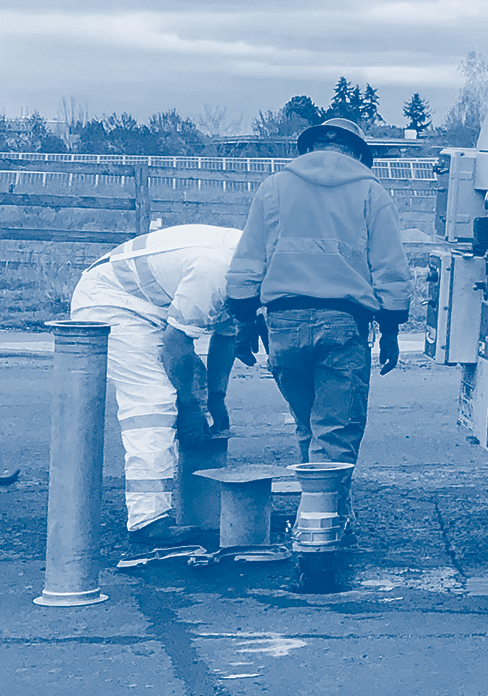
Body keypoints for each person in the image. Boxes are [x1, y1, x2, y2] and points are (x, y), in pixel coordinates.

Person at [225, 117, 414, 480]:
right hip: (342, 328)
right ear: (359, 154)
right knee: (334, 437)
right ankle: (320, 515)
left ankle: (318, 506)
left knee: (309, 427)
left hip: (283, 328)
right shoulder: (371, 193)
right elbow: (390, 270)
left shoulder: (273, 188)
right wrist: (390, 331)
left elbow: (247, 264)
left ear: (309, 149)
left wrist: (244, 322)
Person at [68, 222, 243, 548]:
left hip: (148, 306)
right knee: (153, 401)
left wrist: (215, 398)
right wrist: (189, 406)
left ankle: (189, 505)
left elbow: (226, 335)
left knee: (190, 381)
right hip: (112, 302)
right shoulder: (215, 270)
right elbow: (176, 344)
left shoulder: (246, 263)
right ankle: (148, 519)